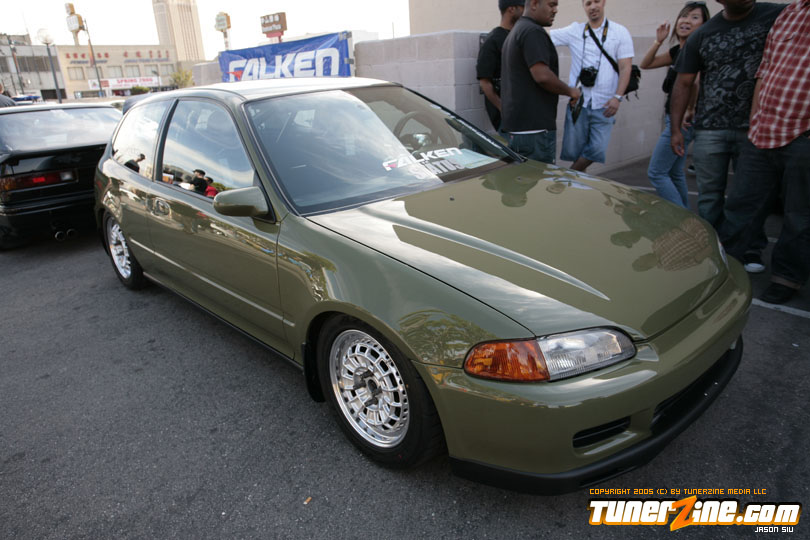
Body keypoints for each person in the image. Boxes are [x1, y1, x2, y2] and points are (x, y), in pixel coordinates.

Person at [670, 0, 787, 272]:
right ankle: (712, 251)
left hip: (756, 128)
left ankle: (750, 251)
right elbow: (683, 82)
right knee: (709, 196)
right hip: (710, 128)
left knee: (750, 196)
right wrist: (676, 130)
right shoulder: (703, 34)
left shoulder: (778, 15)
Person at [718, 0, 810, 304]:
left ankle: (787, 278)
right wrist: (754, 120)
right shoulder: (790, 13)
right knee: (741, 204)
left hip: (804, 135)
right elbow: (765, 70)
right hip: (763, 130)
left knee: (799, 215)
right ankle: (723, 270)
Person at [549, 0, 634, 172]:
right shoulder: (575, 31)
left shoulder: (620, 32)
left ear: (603, 2)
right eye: (588, 3)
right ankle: (579, 184)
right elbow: (543, 37)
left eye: (596, 1)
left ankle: (568, 178)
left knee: (596, 149)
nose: (593, 7)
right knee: (577, 152)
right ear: (583, 6)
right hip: (578, 104)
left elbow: (626, 68)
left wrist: (617, 97)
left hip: (605, 104)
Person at [640, 1, 710, 207]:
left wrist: (689, 109)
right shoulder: (678, 51)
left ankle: (680, 216)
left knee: (656, 172)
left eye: (694, 17)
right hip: (678, 120)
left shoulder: (697, 50)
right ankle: (685, 216)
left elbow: (695, 83)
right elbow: (646, 64)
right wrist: (658, 41)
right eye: (684, 16)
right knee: (674, 172)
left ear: (704, 25)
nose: (686, 21)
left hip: (682, 122)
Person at [500, 0, 580, 164]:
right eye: (551, 5)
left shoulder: (517, 30)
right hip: (534, 133)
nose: (555, 10)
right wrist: (571, 91)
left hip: (518, 130)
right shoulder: (532, 32)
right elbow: (542, 76)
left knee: (522, 179)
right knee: (541, 179)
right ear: (535, 4)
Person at [476, 0, 525, 132]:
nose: (526, 11)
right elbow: (485, 82)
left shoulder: (519, 36)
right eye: (523, 7)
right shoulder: (493, 41)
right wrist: (503, 109)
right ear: (511, 9)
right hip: (507, 121)